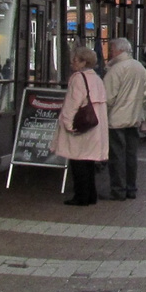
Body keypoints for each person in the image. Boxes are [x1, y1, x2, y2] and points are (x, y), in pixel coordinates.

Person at [52, 45, 108, 206]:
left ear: (84, 62)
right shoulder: (97, 78)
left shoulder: (78, 78)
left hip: (81, 125)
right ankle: (91, 195)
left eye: (75, 60)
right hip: (95, 125)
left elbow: (72, 103)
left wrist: (68, 124)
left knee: (78, 162)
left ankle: (81, 196)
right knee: (89, 162)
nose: (72, 63)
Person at [101, 37, 146, 200]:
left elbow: (107, 97)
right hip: (134, 118)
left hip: (117, 119)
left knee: (117, 155)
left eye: (112, 49)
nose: (110, 53)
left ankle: (118, 189)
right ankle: (131, 188)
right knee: (131, 154)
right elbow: (145, 92)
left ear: (119, 50)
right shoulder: (139, 67)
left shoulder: (116, 69)